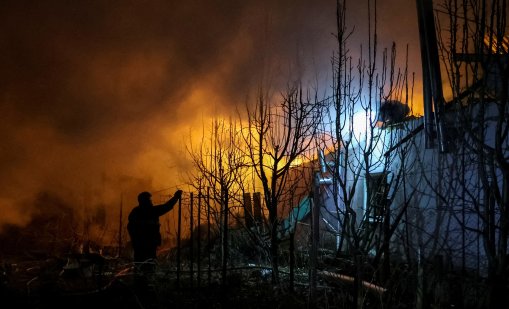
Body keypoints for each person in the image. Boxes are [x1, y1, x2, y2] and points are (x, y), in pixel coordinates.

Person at [127, 189, 183, 270]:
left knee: (139, 266)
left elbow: (130, 228)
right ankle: (146, 280)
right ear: (145, 201)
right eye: (149, 200)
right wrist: (176, 197)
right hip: (148, 245)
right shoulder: (150, 211)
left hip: (139, 246)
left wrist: (135, 240)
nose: (151, 201)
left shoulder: (135, 212)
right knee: (149, 266)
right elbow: (166, 206)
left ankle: (139, 280)